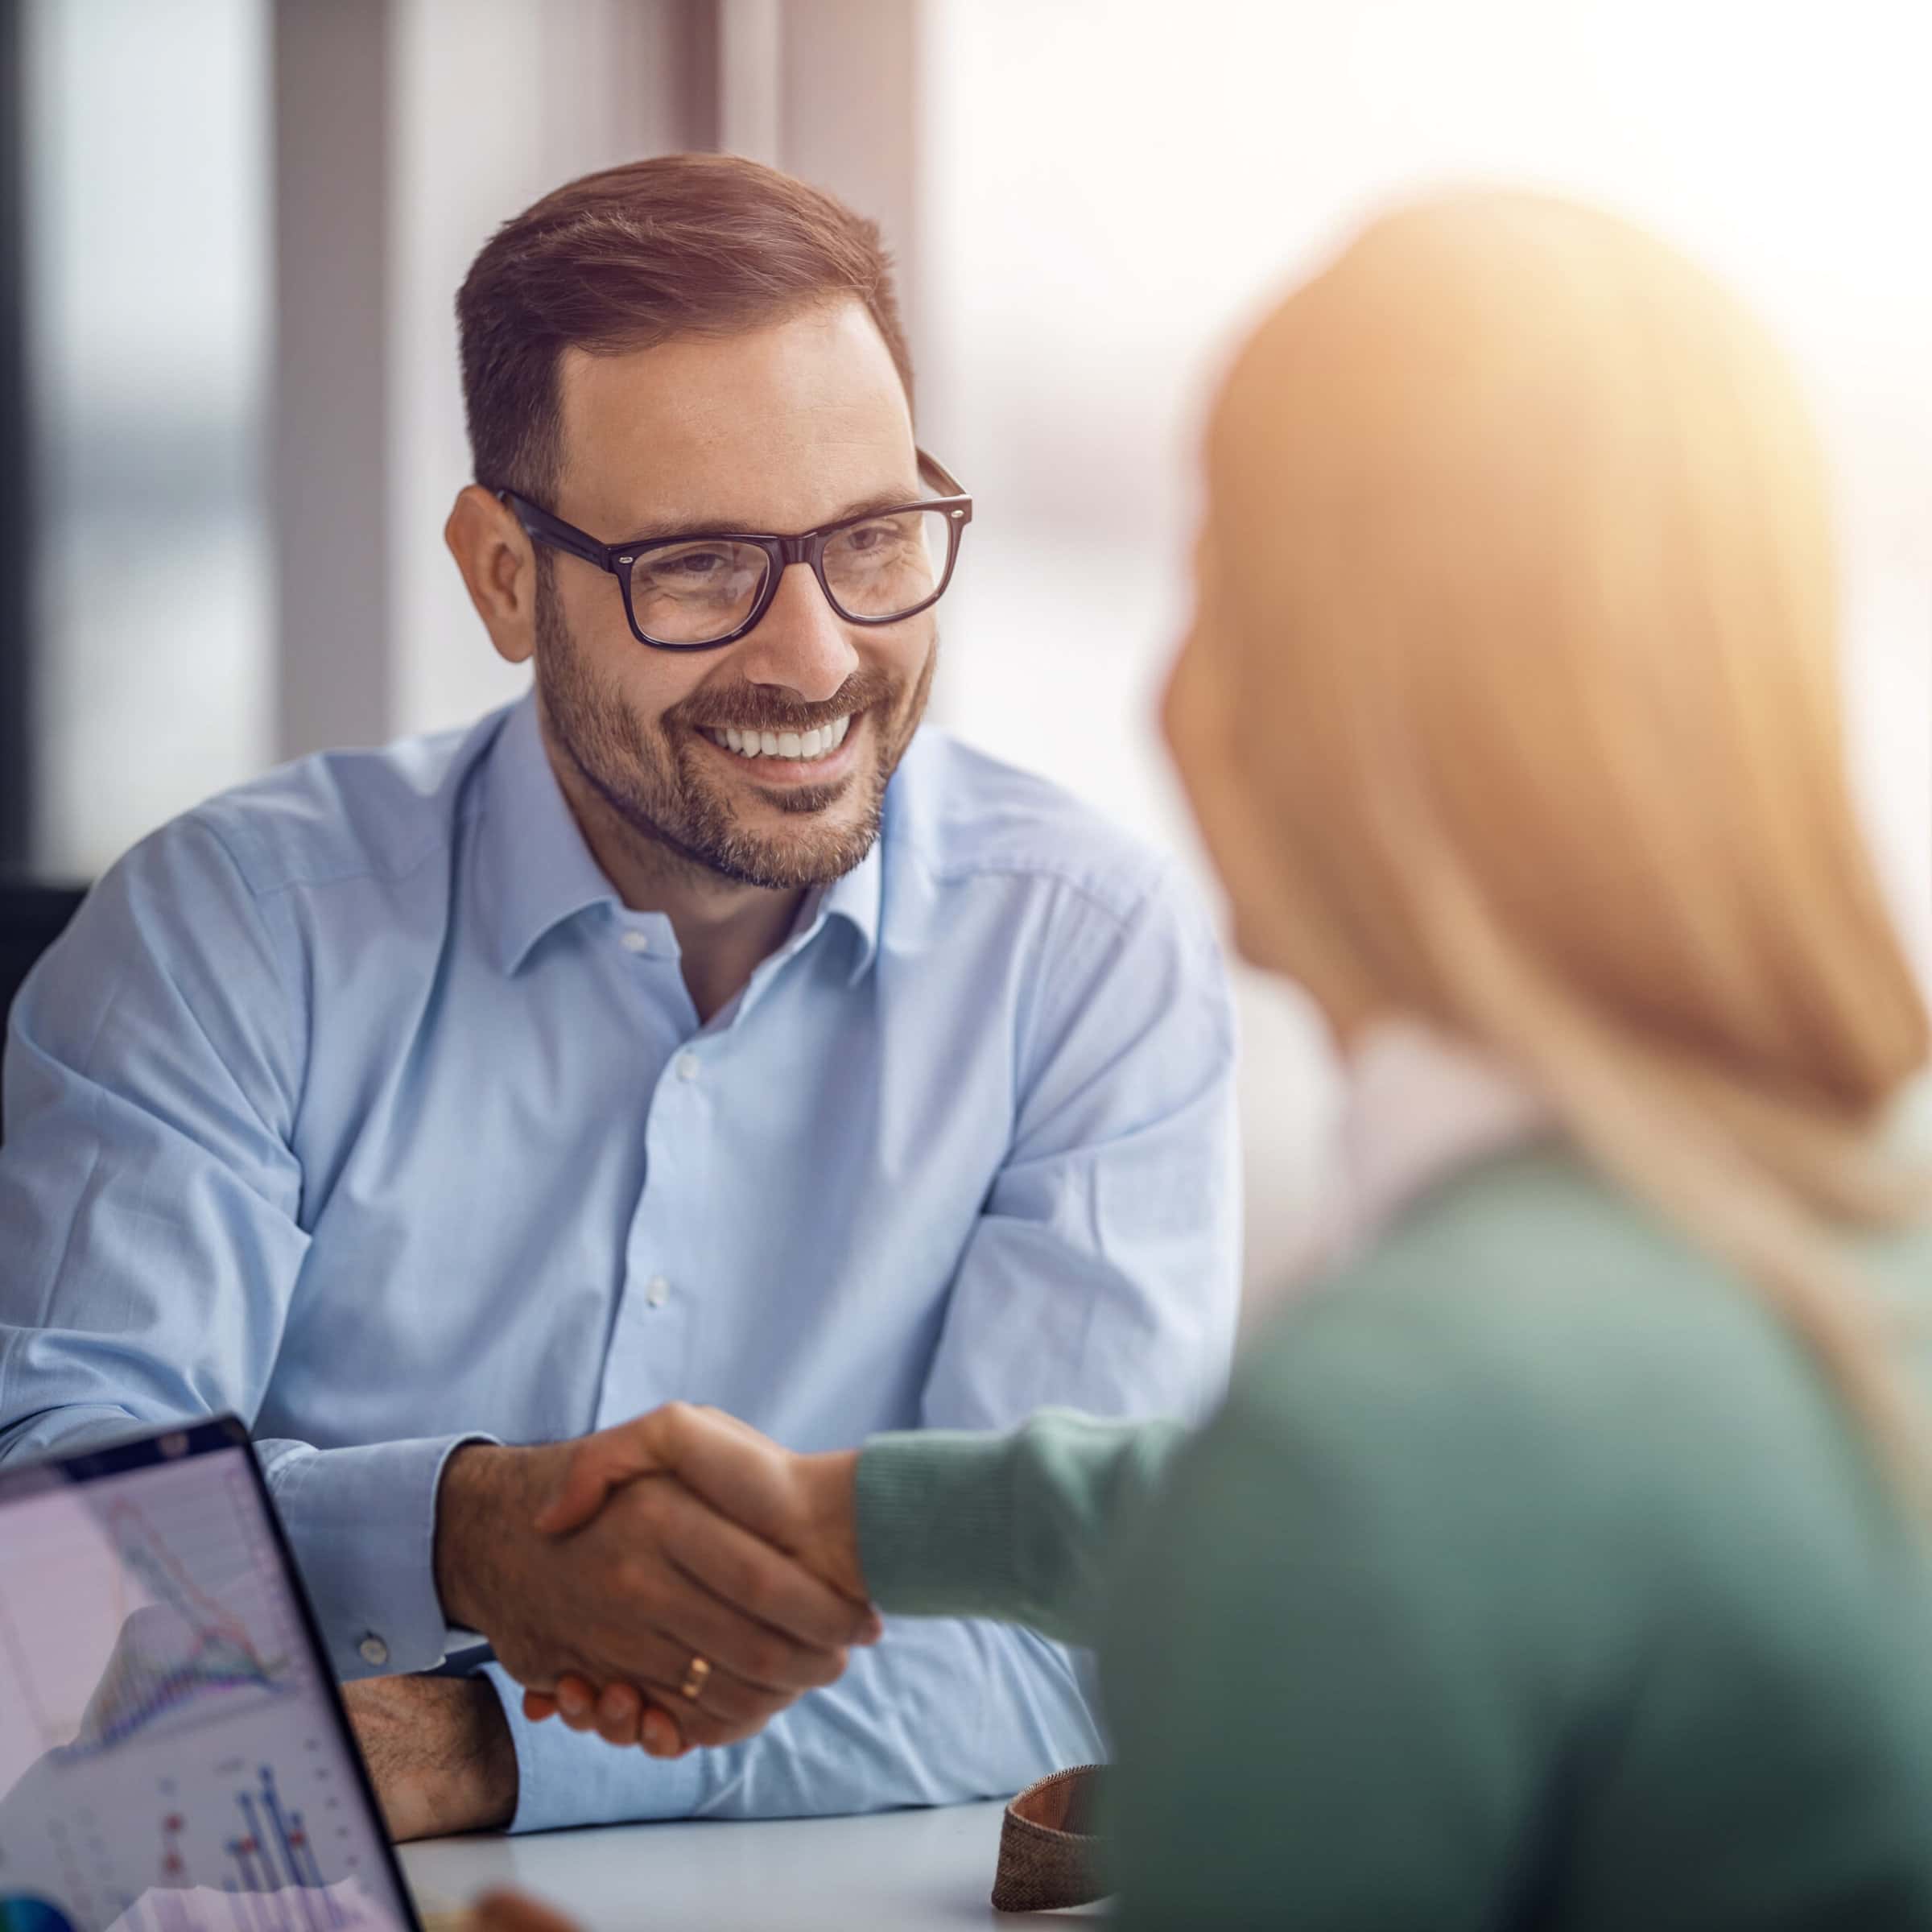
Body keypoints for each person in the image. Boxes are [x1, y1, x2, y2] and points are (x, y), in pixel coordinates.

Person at [506, 191, 1932, 1927]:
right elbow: (1324, 1505)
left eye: (1212, 582)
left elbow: (1365, 1503)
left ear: (1269, 712)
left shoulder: (1379, 1447)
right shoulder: (1828, 1252)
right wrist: (850, 1517)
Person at [0, 155, 1241, 1839]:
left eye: (871, 539)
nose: (814, 656)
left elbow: (1080, 1643)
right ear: (504, 573)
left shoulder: (1085, 947)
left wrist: (471, 1744)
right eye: (700, 565)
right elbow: (44, 1559)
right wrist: (453, 1538)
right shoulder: (228, 933)